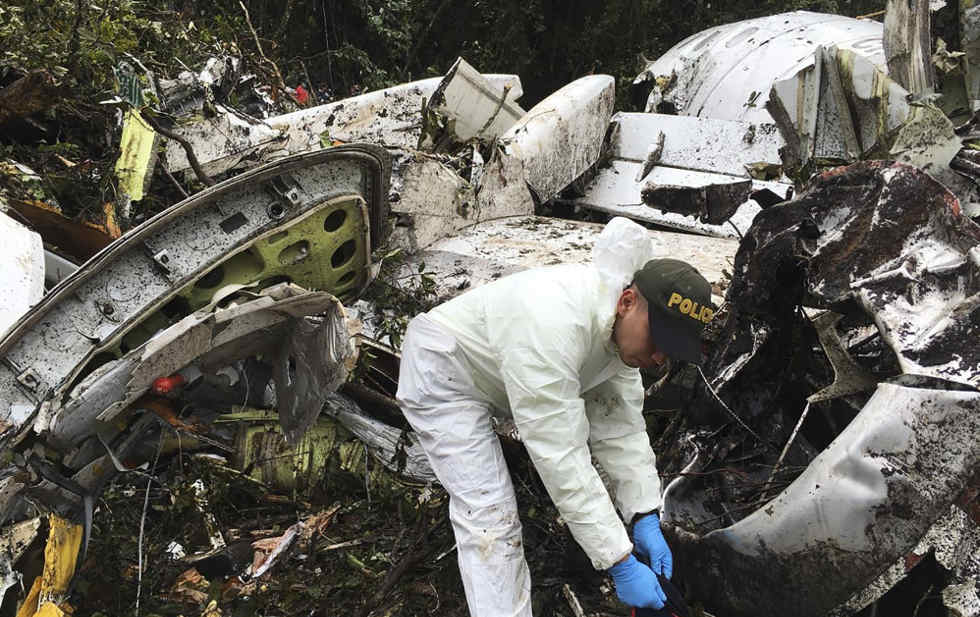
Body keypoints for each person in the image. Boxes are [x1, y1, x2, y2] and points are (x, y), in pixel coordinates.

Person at [396, 217, 715, 617]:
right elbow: (561, 454)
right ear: (627, 301)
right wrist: (618, 560)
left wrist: (644, 513)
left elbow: (622, 430)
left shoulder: (616, 337)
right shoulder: (554, 323)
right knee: (490, 516)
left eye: (670, 350)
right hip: (444, 371)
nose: (658, 358)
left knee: (503, 506)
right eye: (658, 340)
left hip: (497, 374)